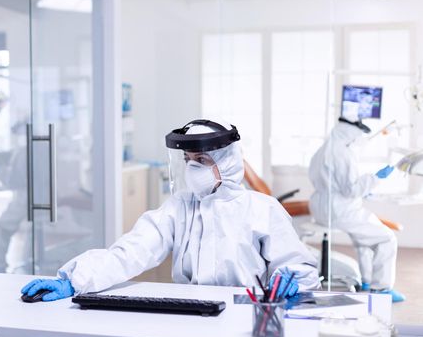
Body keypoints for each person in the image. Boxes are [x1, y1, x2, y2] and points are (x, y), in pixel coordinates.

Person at [21, 119, 319, 301]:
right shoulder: (179, 207)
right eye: (187, 159)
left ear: (226, 161)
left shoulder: (261, 208)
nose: (191, 168)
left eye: (200, 160)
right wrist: (75, 279)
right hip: (191, 313)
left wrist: (293, 278)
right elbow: (133, 250)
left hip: (247, 314)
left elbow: (298, 268)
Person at [308, 116, 405, 302]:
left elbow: (331, 183)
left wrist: (362, 190)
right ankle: (381, 289)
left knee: (365, 239)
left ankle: (367, 282)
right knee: (386, 239)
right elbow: (351, 189)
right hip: (340, 211)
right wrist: (376, 178)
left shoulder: (323, 149)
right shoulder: (343, 153)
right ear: (350, 132)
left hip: (321, 207)